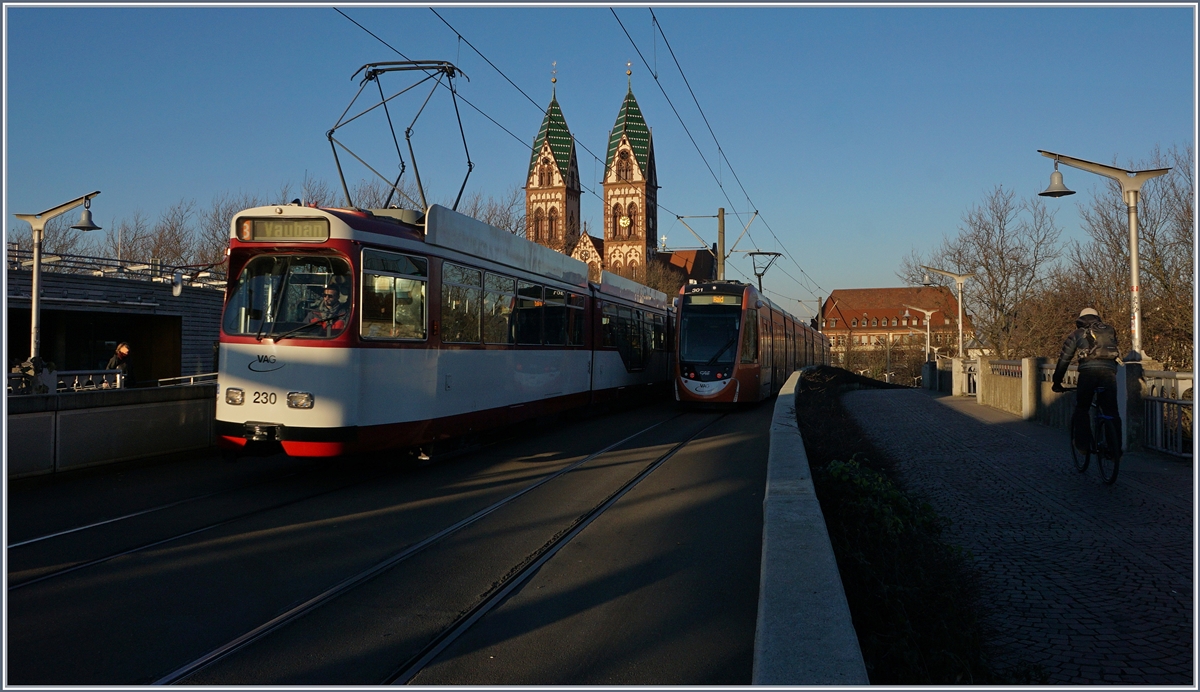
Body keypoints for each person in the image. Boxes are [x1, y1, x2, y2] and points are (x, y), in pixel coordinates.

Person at [1051, 308, 1121, 456]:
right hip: (1109, 373)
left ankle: (1083, 445)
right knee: (1111, 411)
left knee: (1082, 408)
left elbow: (1064, 359)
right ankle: (1115, 449)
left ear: (1080, 320)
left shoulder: (1077, 334)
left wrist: (1057, 382)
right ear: (1097, 318)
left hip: (1088, 373)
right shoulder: (1108, 331)